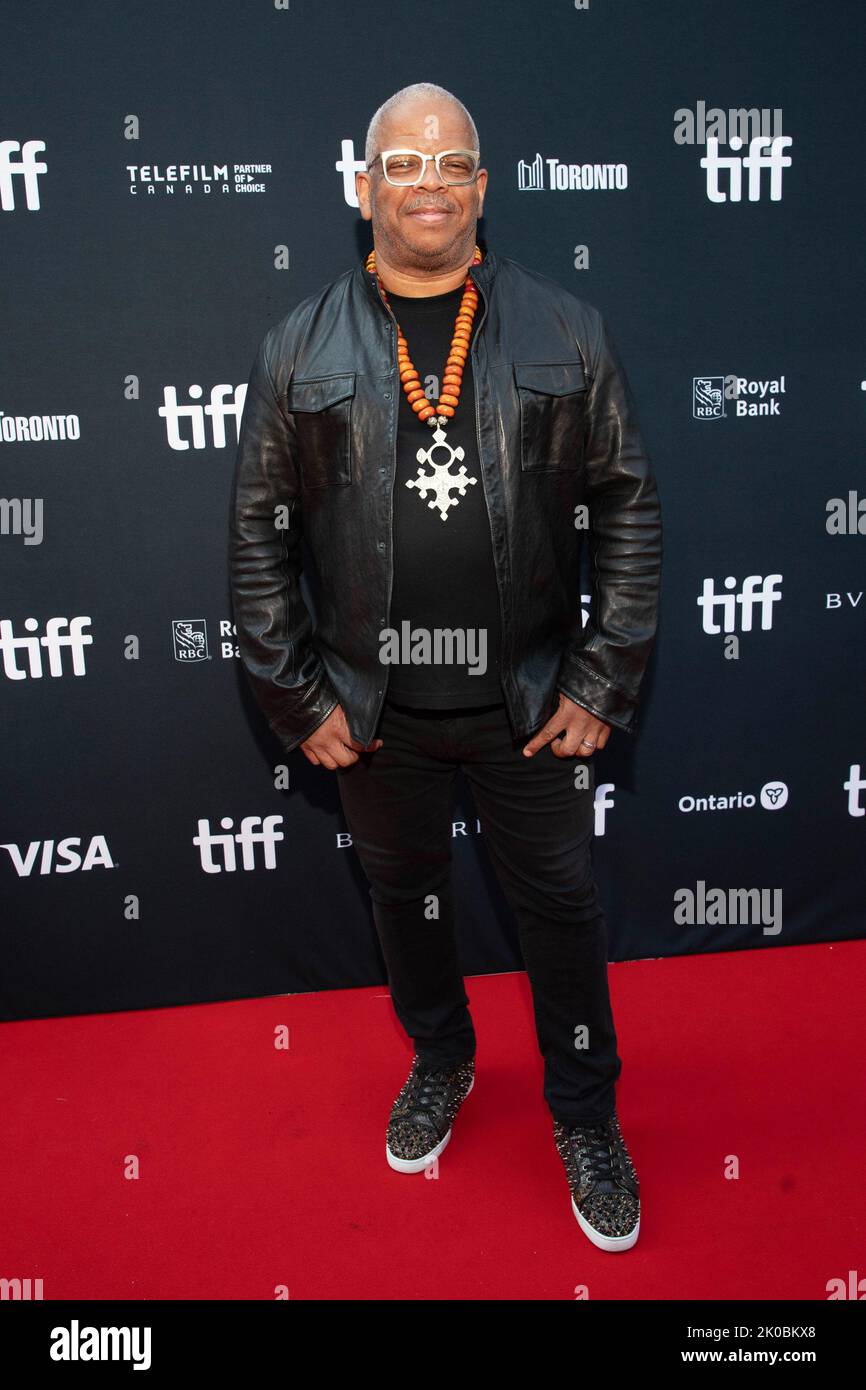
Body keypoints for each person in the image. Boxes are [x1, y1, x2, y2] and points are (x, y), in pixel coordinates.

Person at [229, 82, 662, 1252]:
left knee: (561, 913)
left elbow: (624, 506)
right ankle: (441, 1058)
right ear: (362, 187)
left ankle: (584, 1115)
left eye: (450, 162)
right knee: (406, 904)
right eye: (401, 164)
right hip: (372, 714)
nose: (426, 182)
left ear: (482, 186)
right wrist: (295, 697)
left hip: (527, 699)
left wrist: (601, 674)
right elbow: (258, 538)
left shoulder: (564, 328)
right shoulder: (299, 343)